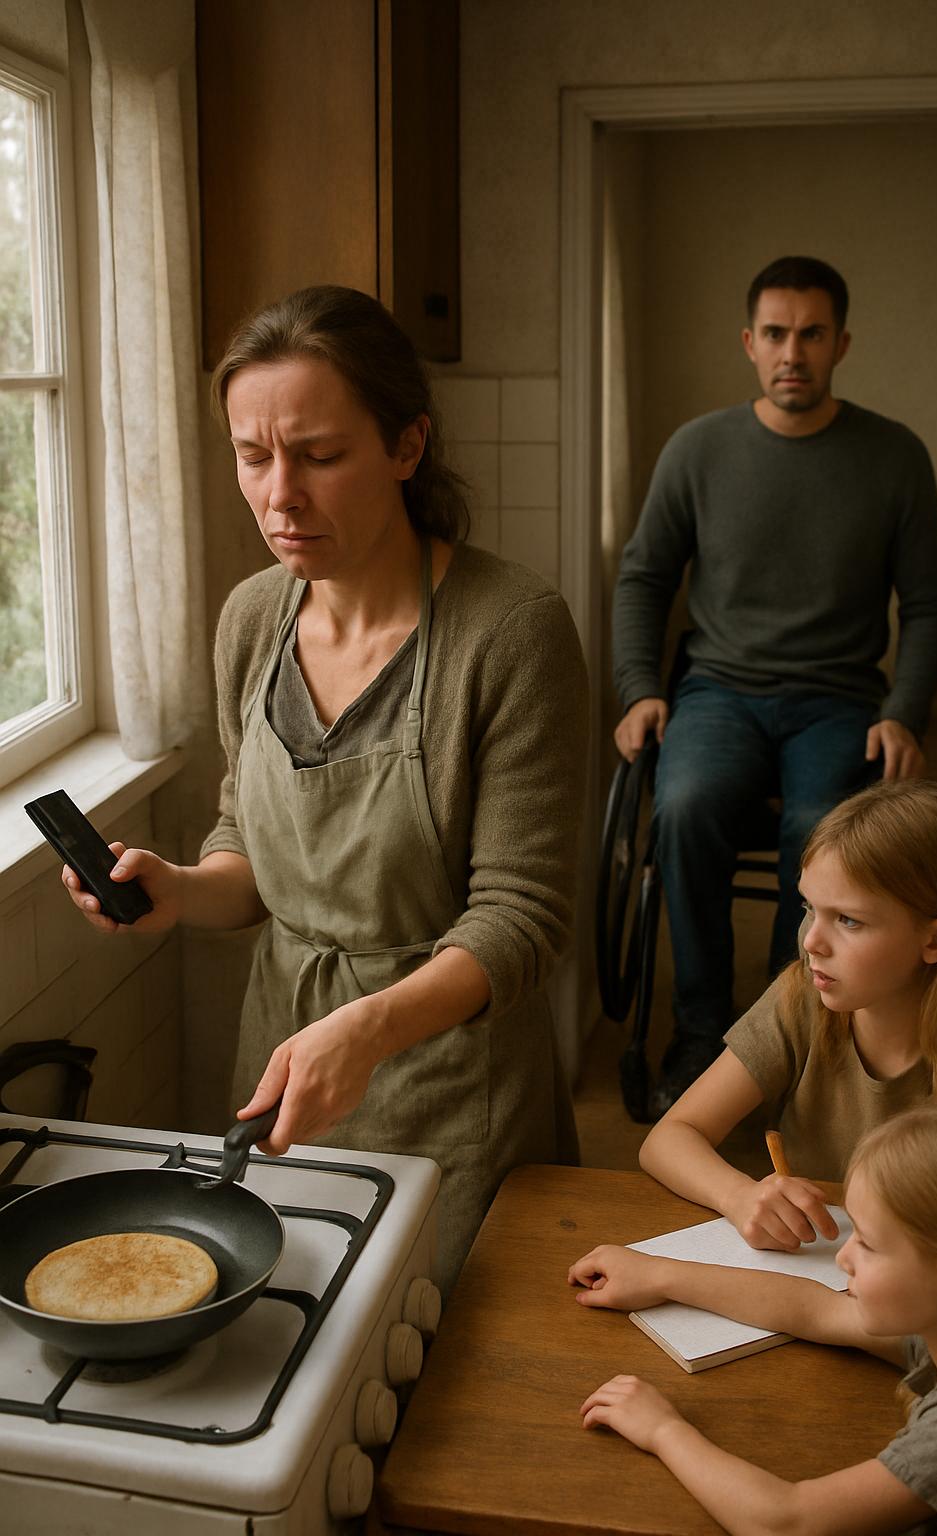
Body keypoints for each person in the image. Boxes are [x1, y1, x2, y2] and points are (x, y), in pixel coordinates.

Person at [61, 285, 587, 1295]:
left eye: (318, 454)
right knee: (302, 1334)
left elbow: (522, 918)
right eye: (253, 457)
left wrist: (373, 1028)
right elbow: (250, 853)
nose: (278, 497)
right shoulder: (253, 620)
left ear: (406, 446)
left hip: (450, 1077)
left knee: (449, 1377)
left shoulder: (510, 632)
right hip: (286, 1058)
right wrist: (178, 887)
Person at [612, 255, 937, 1113]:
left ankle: (784, 1034)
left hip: (838, 699)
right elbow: (644, 577)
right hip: (717, 692)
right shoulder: (698, 448)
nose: (791, 351)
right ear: (749, 342)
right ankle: (700, 1032)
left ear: (841, 343)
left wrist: (904, 713)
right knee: (686, 806)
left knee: (824, 841)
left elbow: (928, 604)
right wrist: (636, 687)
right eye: (774, 333)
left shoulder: (894, 455)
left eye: (810, 334)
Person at [570, 1100, 937, 1536]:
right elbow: (816, 1308)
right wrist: (660, 1274)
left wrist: (663, 1429)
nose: (843, 1259)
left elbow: (789, 1521)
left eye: (867, 1243)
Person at [639, 779, 937, 1252]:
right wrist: (739, 1196)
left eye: (848, 920)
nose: (810, 942)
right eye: (808, 908)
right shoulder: (802, 998)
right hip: (813, 1271)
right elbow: (670, 1137)